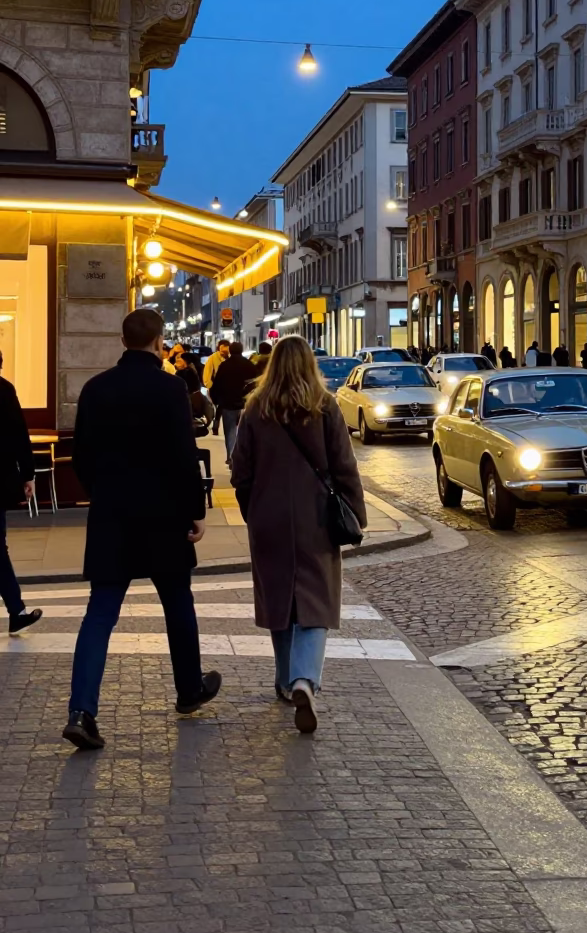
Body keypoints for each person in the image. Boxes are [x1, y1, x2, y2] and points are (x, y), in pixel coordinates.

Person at [63, 308, 220, 752]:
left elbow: (81, 457)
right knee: (177, 603)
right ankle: (189, 689)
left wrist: (102, 493)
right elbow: (181, 455)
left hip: (112, 516)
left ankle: (81, 710)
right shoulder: (170, 388)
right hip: (163, 517)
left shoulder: (95, 389)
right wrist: (195, 510)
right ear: (159, 341)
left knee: (100, 613)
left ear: (122, 340)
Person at [231, 335, 366, 734]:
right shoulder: (324, 406)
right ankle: (304, 679)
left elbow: (241, 470)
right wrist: (355, 513)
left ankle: (285, 679)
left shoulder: (256, 408)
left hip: (268, 517)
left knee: (279, 601)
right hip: (316, 517)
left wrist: (252, 511)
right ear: (310, 364)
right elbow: (344, 466)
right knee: (314, 598)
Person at [0, 352, 42, 635]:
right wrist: (28, 474)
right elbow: (19, 434)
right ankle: (16, 610)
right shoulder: (3, 389)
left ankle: (16, 609)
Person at [210, 341, 257, 461]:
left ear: (230, 351)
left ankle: (231, 456)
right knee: (244, 431)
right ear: (242, 350)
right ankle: (241, 457)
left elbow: (217, 384)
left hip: (228, 403)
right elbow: (255, 384)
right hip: (246, 403)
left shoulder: (224, 365)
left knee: (230, 430)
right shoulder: (249, 365)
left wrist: (216, 399)